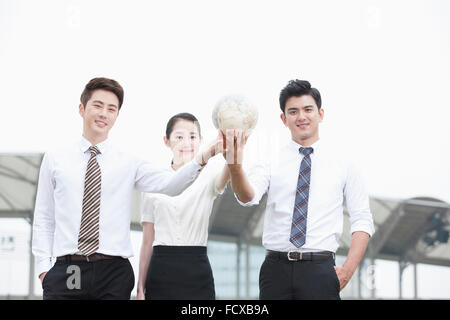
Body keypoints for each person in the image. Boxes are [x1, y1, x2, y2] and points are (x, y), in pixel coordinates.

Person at [32, 78, 220, 300]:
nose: (104, 114)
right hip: (70, 269)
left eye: (111, 109)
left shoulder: (129, 163)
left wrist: (204, 157)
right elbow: (44, 218)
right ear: (82, 109)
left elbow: (171, 185)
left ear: (116, 116)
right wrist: (44, 270)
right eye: (98, 105)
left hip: (113, 271)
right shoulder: (55, 159)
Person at [224, 79, 375, 300]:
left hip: (320, 270)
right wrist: (234, 165)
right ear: (284, 119)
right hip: (275, 270)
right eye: (293, 112)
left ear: (321, 114)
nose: (301, 117)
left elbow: (362, 219)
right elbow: (247, 197)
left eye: (308, 109)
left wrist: (347, 271)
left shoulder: (345, 163)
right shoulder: (270, 159)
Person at [136, 113, 229, 300]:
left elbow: (226, 177)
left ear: (201, 141)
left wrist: (232, 156)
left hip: (197, 267)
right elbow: (147, 242)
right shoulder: (154, 182)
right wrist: (140, 288)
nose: (187, 143)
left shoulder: (210, 175)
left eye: (193, 137)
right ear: (166, 141)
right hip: (161, 268)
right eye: (179, 137)